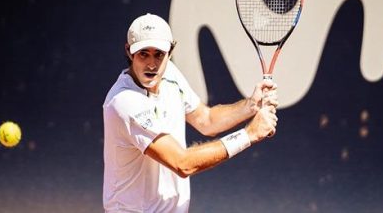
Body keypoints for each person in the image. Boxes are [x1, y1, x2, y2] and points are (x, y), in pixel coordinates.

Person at [102, 13, 278, 212]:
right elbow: (183, 163)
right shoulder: (124, 102)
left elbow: (207, 120)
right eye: (143, 53)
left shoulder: (170, 74)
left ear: (170, 52)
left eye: (159, 54)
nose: (151, 64)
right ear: (129, 51)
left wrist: (250, 106)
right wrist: (249, 134)